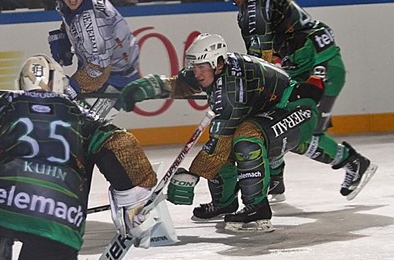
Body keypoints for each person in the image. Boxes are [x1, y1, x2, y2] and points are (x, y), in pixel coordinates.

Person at [0, 54, 158, 260]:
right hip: (58, 217)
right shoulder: (80, 114)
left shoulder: (2, 105)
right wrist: (133, 203)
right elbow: (120, 144)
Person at [116, 33, 356, 232]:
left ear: (218, 63)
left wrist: (191, 176)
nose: (197, 73)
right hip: (273, 112)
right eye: (195, 66)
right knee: (231, 141)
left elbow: (219, 144)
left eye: (202, 67)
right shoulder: (215, 69)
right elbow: (177, 84)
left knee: (245, 139)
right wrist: (144, 87)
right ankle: (224, 204)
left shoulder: (232, 87)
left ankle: (257, 210)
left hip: (297, 109)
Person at [220, 0, 377, 206]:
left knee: (301, 131)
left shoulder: (255, 9)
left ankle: (352, 161)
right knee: (279, 121)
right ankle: (275, 180)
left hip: (320, 67)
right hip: (305, 68)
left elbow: (259, 60)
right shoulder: (256, 4)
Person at [48, 0, 140, 100]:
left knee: (82, 118)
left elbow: (99, 69)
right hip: (100, 65)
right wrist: (65, 35)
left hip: (116, 78)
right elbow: (72, 19)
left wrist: (70, 87)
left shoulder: (95, 21)